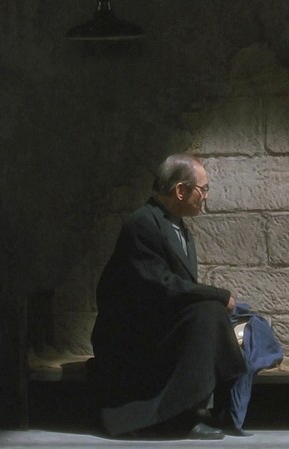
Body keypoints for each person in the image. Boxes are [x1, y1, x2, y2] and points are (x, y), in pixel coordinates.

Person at [90, 153, 246, 439]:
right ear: (181, 190)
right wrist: (218, 295)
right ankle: (183, 416)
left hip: (159, 325)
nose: (206, 196)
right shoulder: (142, 223)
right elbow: (162, 285)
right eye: (203, 189)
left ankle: (213, 405)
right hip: (134, 335)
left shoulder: (180, 228)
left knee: (210, 313)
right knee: (210, 311)